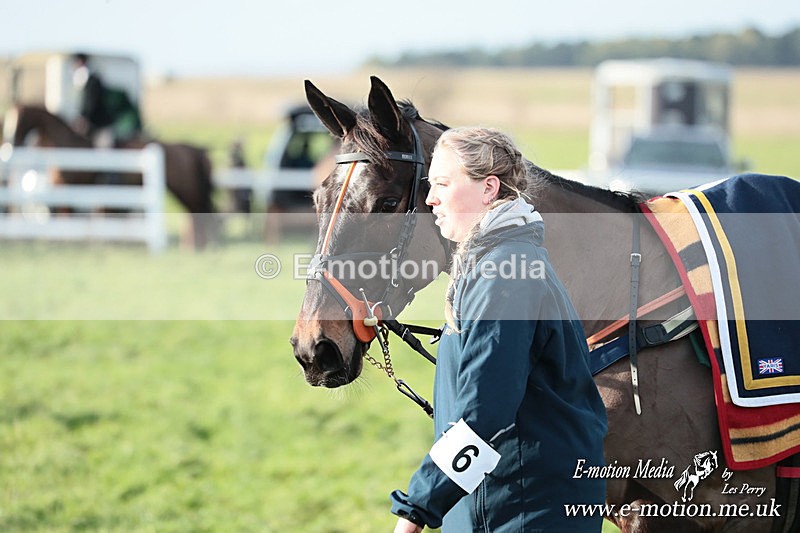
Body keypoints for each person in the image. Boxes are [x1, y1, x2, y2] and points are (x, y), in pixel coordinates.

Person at [390, 127, 608, 532]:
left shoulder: (505, 274)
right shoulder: (502, 261)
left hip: (522, 508)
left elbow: (484, 410)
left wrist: (416, 509)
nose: (430, 198)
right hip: (510, 501)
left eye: (442, 184)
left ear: (488, 188)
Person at [72, 53, 142, 146]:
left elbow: (91, 103)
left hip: (101, 125)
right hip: (92, 124)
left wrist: (84, 117)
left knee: (103, 146)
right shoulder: (82, 79)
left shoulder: (93, 80)